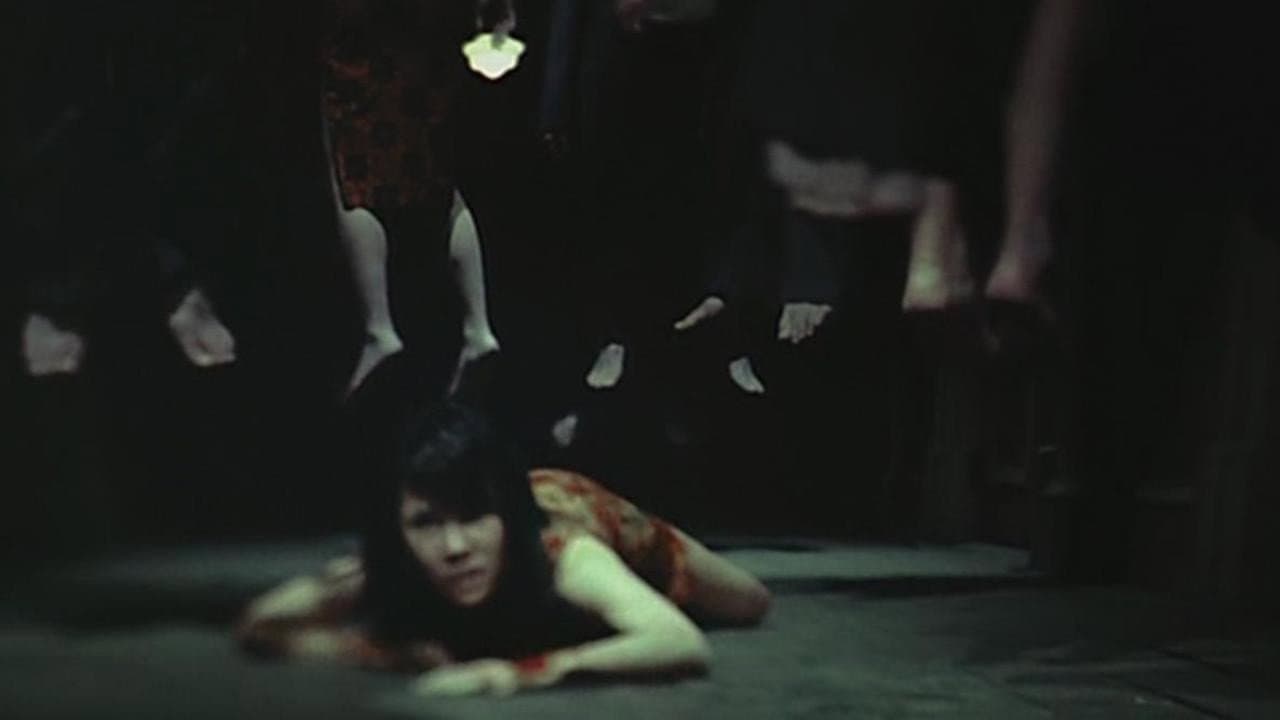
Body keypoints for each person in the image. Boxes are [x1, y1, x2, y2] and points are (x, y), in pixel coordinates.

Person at [236, 398, 770, 696]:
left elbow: (680, 642)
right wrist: (386, 648)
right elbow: (262, 625)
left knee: (747, 602)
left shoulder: (565, 552)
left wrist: (515, 672)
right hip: (516, 501)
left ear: (506, 518)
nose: (454, 547)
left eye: (474, 516)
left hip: (592, 511)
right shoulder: (391, 560)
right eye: (426, 523)